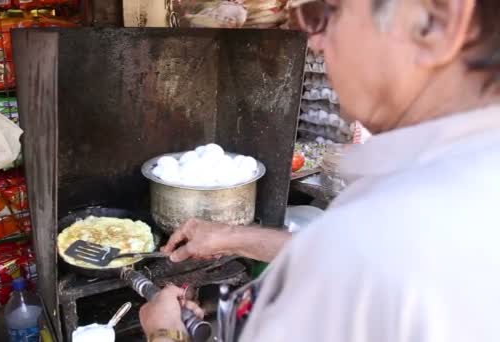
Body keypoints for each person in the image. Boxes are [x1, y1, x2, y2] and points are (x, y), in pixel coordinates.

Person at [140, 0, 500, 341]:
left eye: (323, 13)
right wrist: (233, 236)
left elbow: (360, 255)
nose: (313, 42)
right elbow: (349, 258)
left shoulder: (393, 233)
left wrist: (165, 332)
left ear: (436, 21)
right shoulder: (462, 180)